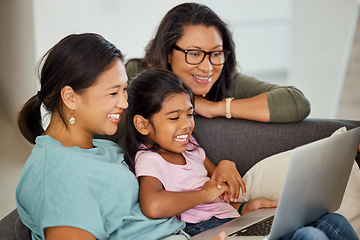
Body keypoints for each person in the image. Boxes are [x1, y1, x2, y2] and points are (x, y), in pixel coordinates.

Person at [15, 33, 227, 240]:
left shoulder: (103, 148)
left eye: (124, 90)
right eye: (113, 92)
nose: (125, 103)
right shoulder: (55, 171)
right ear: (70, 97)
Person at [121, 68, 359, 239]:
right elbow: (152, 205)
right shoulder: (149, 159)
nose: (186, 125)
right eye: (174, 117)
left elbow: (223, 190)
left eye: (190, 114)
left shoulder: (191, 147)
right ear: (143, 125)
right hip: (207, 230)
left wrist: (243, 206)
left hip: (234, 221)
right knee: (309, 236)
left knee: (333, 221)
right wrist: (203, 194)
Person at [125, 2, 310, 123]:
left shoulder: (227, 83)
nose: (208, 68)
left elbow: (296, 102)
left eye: (215, 53)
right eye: (195, 54)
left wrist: (217, 108)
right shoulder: (136, 75)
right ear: (168, 54)